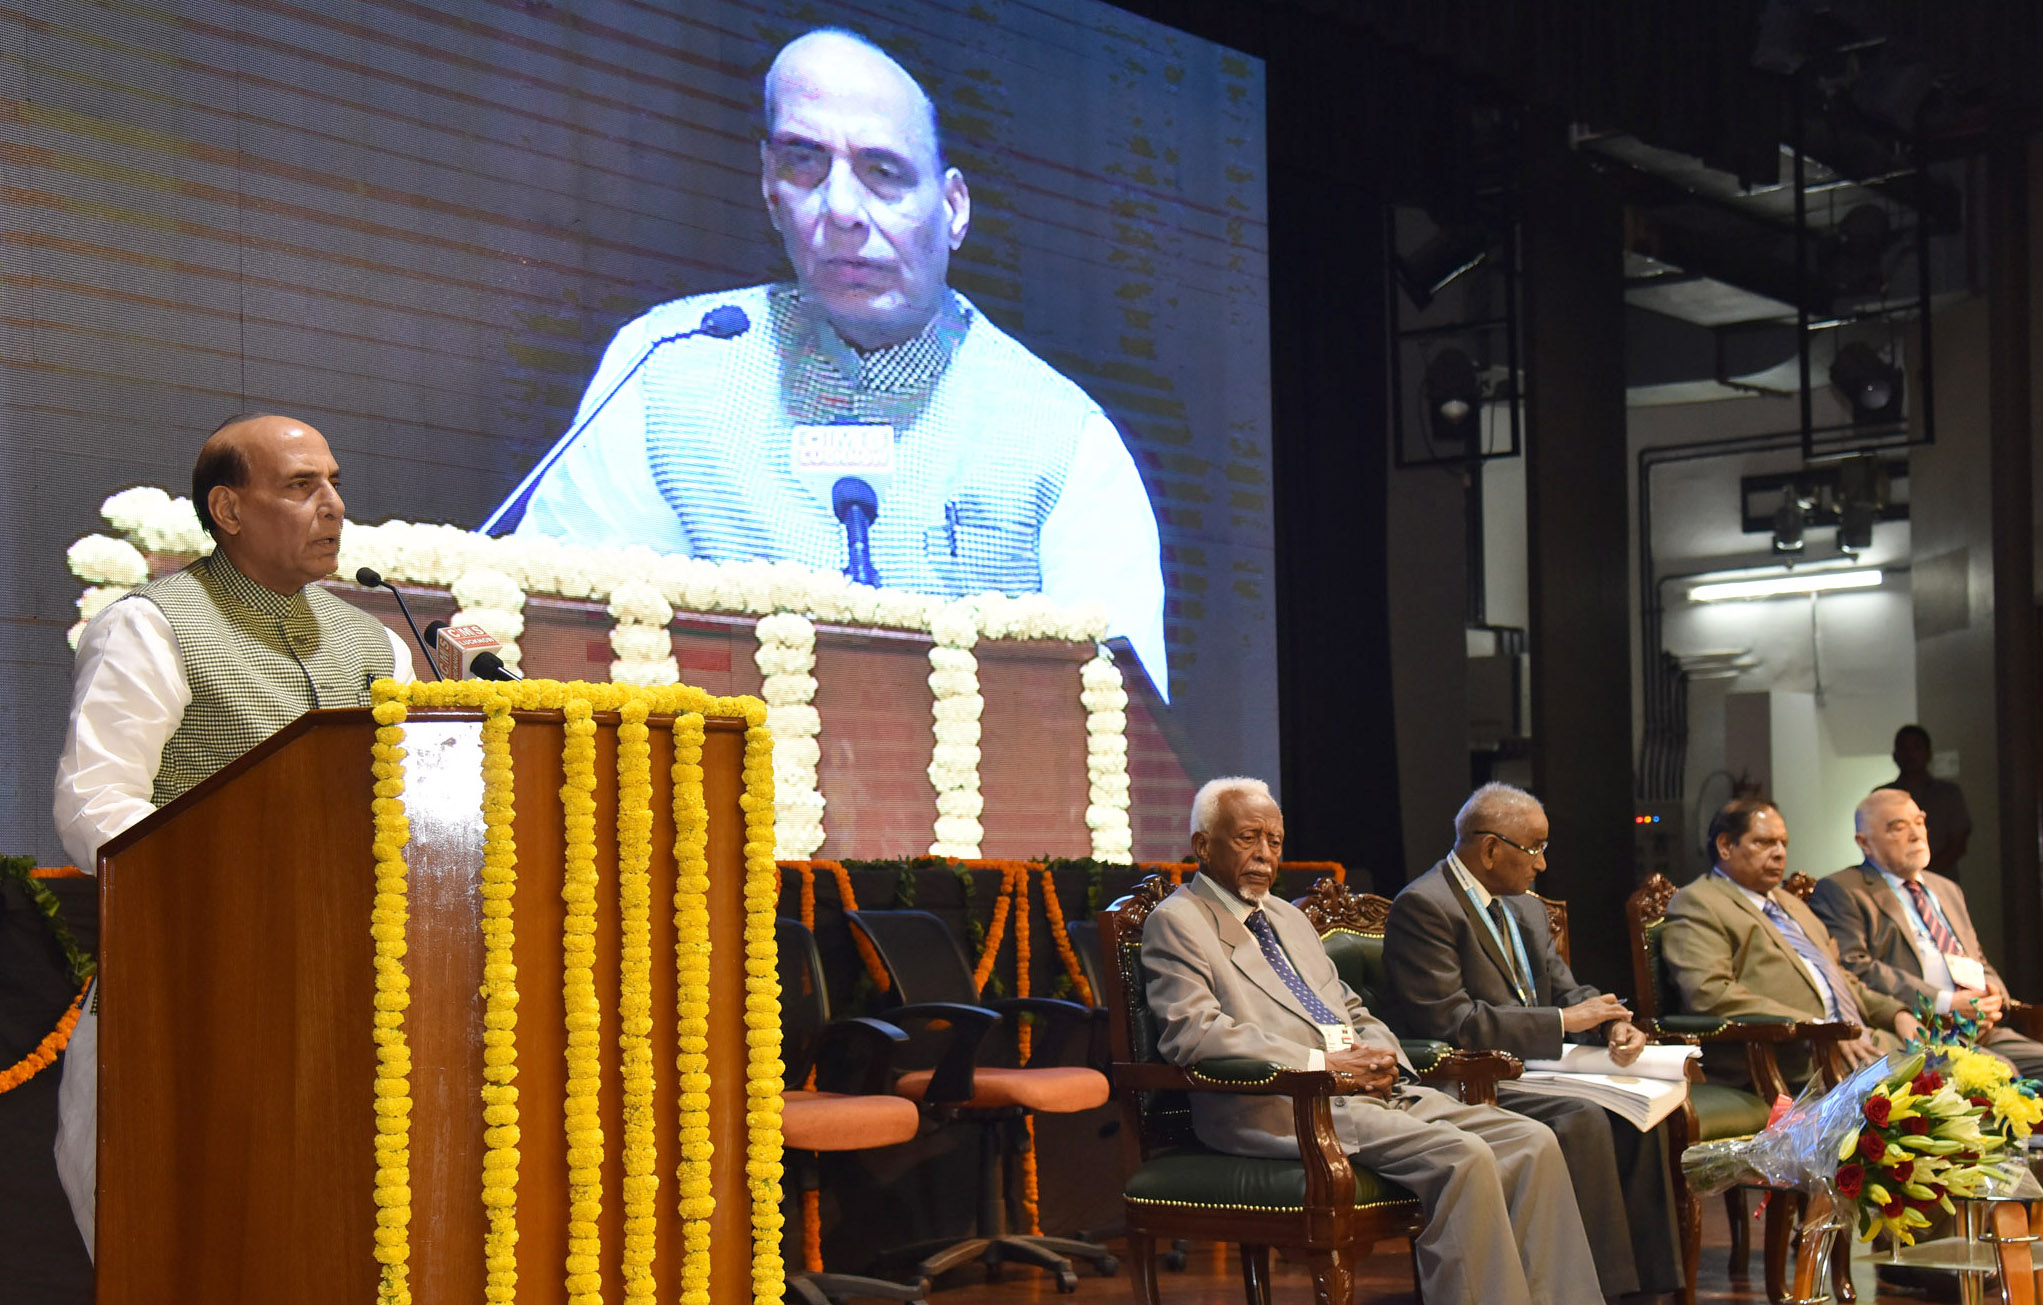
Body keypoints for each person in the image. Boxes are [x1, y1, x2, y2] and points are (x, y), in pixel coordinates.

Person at [499, 27, 1168, 699]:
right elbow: (560, 648)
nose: (841, 210)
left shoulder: (1061, 439)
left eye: (882, 172)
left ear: (953, 207)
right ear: (769, 187)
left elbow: (1121, 741)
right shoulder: (667, 369)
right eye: (804, 162)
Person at [51, 413, 416, 1255]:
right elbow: (97, 804)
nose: (332, 505)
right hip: (187, 1006)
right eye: (300, 486)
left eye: (334, 483)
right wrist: (233, 891)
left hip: (348, 1018)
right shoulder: (151, 624)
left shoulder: (378, 643)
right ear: (228, 508)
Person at [1140, 777, 1604, 1305]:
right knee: (1466, 1156)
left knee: (1532, 1141)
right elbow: (1193, 1034)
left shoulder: (1288, 917)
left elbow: (1350, 1006)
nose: (1265, 855)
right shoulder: (1177, 922)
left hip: (1365, 1090)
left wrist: (1383, 1056)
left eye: (1275, 840)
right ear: (1204, 845)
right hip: (1282, 1102)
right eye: (1249, 838)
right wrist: (1325, 1063)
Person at [1381, 782, 1681, 1300]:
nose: (1542, 864)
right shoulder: (1425, 907)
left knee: (1642, 1111)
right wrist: (1564, 1021)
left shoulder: (1526, 909)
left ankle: (1651, 1289)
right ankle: (1595, 1290)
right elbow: (1450, 1022)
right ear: (1491, 849)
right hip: (1471, 1077)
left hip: (1539, 1067)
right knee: (1582, 1117)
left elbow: (1566, 990)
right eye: (1535, 848)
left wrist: (1611, 1023)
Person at [1661, 798, 1920, 1090]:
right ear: (1725, 846)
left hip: (1852, 1040)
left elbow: (1839, 979)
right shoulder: (1699, 903)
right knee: (1936, 1083)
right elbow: (1710, 994)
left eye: (1783, 843)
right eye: (1765, 842)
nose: (1779, 853)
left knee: (1952, 1061)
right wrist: (1819, 1028)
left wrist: (1896, 1012)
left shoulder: (1791, 904)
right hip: (1788, 1054)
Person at [1810, 789, 2043, 1077]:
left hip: (1979, 1027)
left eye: (1919, 822)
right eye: (1898, 827)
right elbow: (1854, 967)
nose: (1916, 834)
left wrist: (1994, 998)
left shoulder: (1947, 889)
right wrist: (1945, 1002)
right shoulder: (1843, 889)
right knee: (1999, 1073)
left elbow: (1976, 958)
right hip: (1922, 1030)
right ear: (1864, 843)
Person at [1880, 725, 1972, 878]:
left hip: (1941, 882)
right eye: (1903, 748)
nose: (1909, 754)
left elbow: (1958, 843)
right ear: (1895, 755)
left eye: (1916, 747)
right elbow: (1877, 843)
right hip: (1894, 883)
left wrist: (1923, 873)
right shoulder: (1883, 797)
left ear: (1928, 754)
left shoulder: (1948, 794)